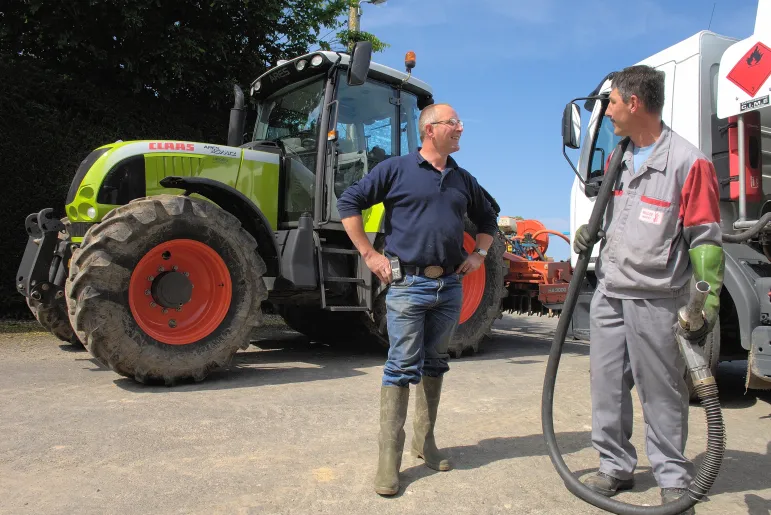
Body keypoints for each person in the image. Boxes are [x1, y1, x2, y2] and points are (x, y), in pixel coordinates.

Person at [573, 65, 725, 513]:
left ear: (634, 103)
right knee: (606, 386)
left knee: (661, 391)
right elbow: (616, 213)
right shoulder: (616, 156)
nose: (610, 112)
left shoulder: (688, 161)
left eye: (612, 103)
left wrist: (707, 297)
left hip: (657, 296)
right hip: (610, 292)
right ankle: (614, 466)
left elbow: (705, 237)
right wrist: (590, 228)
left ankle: (673, 478)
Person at [337, 103, 498, 496]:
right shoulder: (396, 169)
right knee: (400, 367)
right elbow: (349, 203)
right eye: (453, 123)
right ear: (430, 129)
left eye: (460, 121)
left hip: (449, 288)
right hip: (407, 285)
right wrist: (370, 255)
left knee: (435, 364)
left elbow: (489, 219)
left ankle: (424, 444)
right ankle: (388, 460)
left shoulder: (463, 179)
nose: (461, 127)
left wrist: (478, 254)